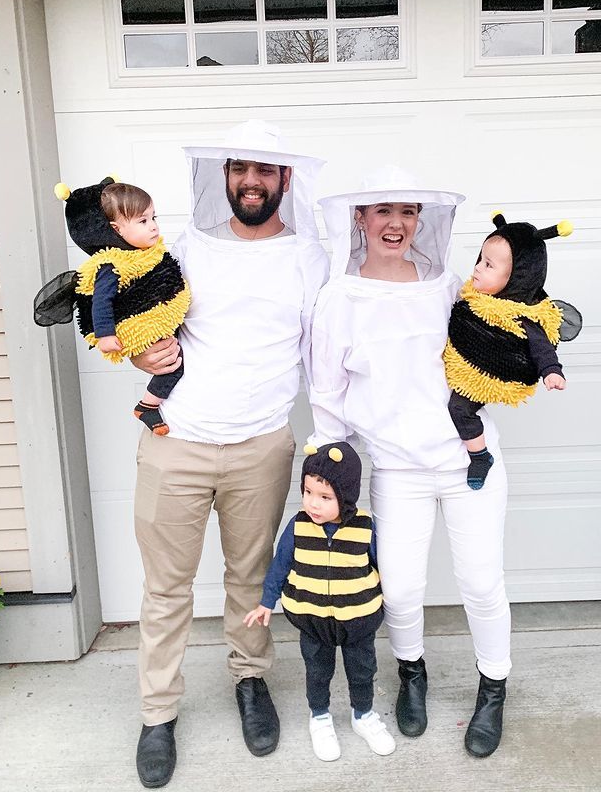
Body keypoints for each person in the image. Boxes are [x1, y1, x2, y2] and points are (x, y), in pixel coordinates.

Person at [130, 121, 329, 788]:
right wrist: (140, 352)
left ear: (285, 181)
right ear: (226, 177)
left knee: (249, 581)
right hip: (176, 443)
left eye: (264, 170)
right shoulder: (187, 249)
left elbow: (329, 351)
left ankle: (250, 683)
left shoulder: (310, 256)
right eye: (241, 168)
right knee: (166, 589)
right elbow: (143, 326)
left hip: (262, 446)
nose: (251, 180)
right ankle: (158, 713)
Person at [309, 165, 511, 760]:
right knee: (397, 588)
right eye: (383, 211)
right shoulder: (338, 299)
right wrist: (331, 479)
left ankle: (493, 688)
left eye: (408, 211)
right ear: (360, 219)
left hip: (469, 461)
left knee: (480, 582)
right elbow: (327, 397)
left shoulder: (448, 287)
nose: (396, 223)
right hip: (397, 468)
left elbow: (497, 343)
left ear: (421, 220)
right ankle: (412, 675)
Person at [244, 441, 395, 762]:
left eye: (325, 497)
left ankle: (363, 715)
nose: (313, 503)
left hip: (358, 619)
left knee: (362, 669)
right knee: (317, 670)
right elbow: (280, 565)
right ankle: (320, 717)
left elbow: (385, 567)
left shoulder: (365, 527)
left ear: (346, 495)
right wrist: (266, 602)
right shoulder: (298, 525)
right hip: (311, 619)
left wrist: (390, 601)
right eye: (308, 492)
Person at [33, 177, 190, 438]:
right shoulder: (111, 264)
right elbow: (101, 301)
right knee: (175, 364)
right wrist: (106, 335)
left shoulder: (146, 253)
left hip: (158, 319)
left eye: (153, 218)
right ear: (116, 230)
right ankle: (147, 406)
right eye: (143, 221)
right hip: (138, 327)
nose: (153, 227)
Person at [445, 212, 575, 490]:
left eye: (489, 265)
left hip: (482, 379)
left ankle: (479, 456)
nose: (478, 268)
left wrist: (551, 372)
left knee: (459, 408)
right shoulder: (472, 298)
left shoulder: (521, 316)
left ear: (517, 277)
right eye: (480, 260)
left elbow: (542, 349)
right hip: (460, 365)